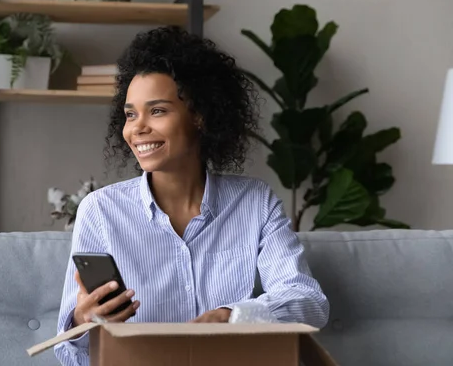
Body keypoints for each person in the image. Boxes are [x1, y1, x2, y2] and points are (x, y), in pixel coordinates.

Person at [54, 26, 329, 366]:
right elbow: (69, 356)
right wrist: (84, 321)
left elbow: (308, 301)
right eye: (130, 114)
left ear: (200, 115)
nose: (137, 128)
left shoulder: (255, 202)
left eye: (157, 111)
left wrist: (231, 316)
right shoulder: (100, 210)